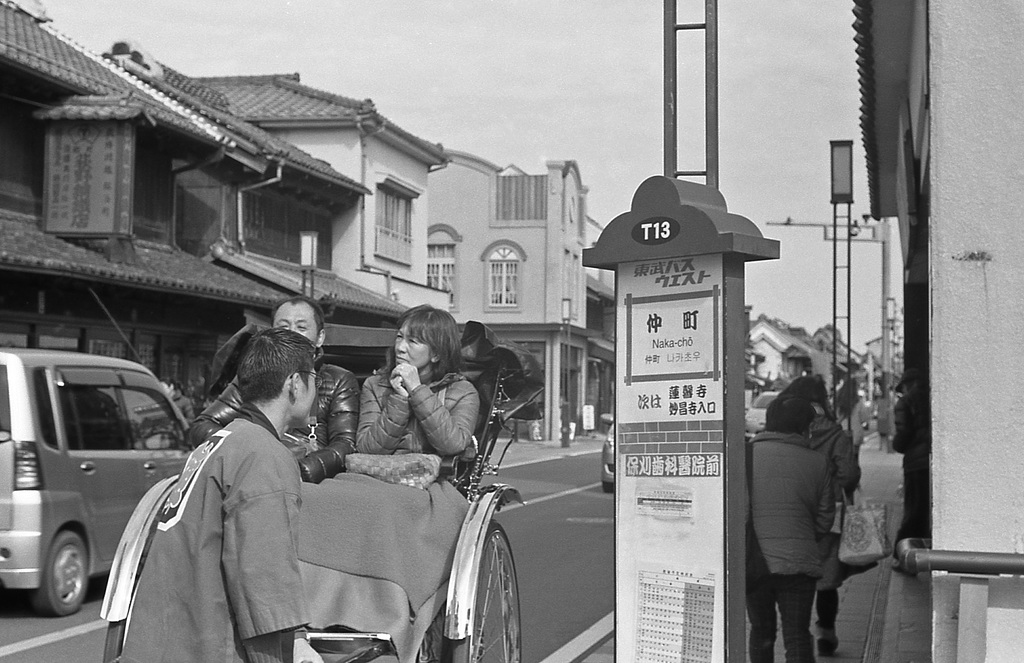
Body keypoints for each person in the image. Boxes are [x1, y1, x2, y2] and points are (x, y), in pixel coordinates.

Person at [121, 328, 324, 663]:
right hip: (206, 644)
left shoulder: (222, 440)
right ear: (294, 383)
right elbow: (262, 579)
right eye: (313, 377)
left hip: (163, 638)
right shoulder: (263, 454)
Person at [296, 304, 479, 663]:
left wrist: (417, 391)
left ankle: (385, 612)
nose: (402, 346)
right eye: (400, 336)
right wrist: (396, 397)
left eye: (414, 340)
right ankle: (309, 609)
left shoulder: (463, 392)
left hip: (429, 488)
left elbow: (453, 443)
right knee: (315, 498)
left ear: (438, 351)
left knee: (384, 508)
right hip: (369, 475)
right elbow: (367, 445)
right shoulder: (376, 385)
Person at [188, 295, 359, 483]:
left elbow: (345, 444)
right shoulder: (253, 372)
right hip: (254, 471)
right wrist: (255, 450)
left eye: (301, 327)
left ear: (320, 337)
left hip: (310, 483)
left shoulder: (338, 380)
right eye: (283, 327)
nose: (291, 335)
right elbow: (202, 425)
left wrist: (302, 468)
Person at [747, 395, 836, 663]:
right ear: (804, 426)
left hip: (755, 561)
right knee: (797, 634)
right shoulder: (817, 462)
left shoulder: (745, 455)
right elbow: (824, 520)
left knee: (761, 632)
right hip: (799, 564)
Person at [779, 375, 861, 657]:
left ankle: (797, 633)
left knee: (797, 576)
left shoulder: (787, 430)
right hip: (829, 513)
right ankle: (826, 633)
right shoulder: (835, 434)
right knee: (826, 579)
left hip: (792, 511)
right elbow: (848, 474)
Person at [892, 367, 931, 569]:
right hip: (931, 459)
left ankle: (903, 555)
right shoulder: (933, 398)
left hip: (916, 460)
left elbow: (903, 435)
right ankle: (918, 554)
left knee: (913, 509)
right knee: (924, 510)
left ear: (908, 384)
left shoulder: (906, 402)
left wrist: (896, 445)